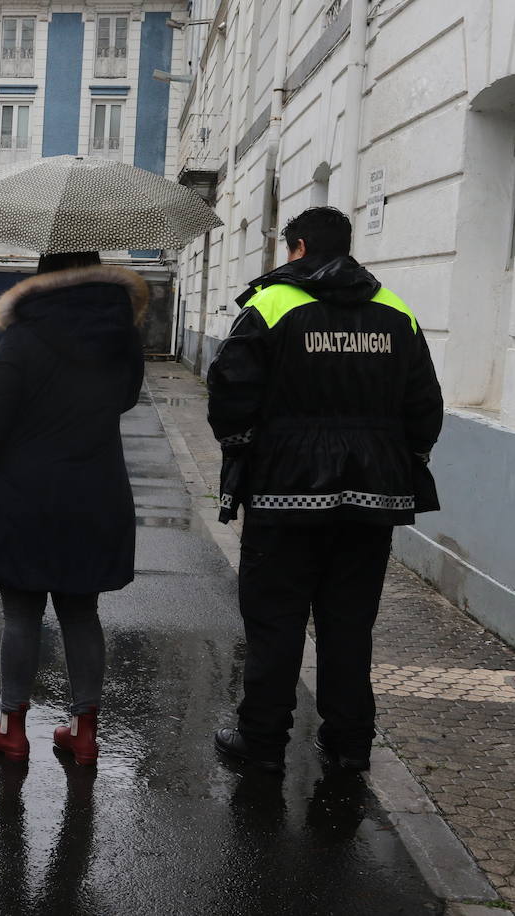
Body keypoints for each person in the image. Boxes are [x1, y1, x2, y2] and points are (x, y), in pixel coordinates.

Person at [208, 206, 444, 773]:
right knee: (348, 622)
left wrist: (247, 454)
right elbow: (425, 409)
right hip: (373, 498)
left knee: (275, 621)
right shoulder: (396, 310)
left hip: (284, 495)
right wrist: (399, 461)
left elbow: (231, 395)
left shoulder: (271, 304)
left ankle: (262, 743)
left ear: (297, 247)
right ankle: (348, 745)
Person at [0, 251, 146, 764]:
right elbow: (126, 398)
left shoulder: (22, 338)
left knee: (21, 613)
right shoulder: (121, 337)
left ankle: (12, 730)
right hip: (95, 492)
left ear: (42, 282)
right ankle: (83, 734)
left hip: (23, 496)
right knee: (82, 611)